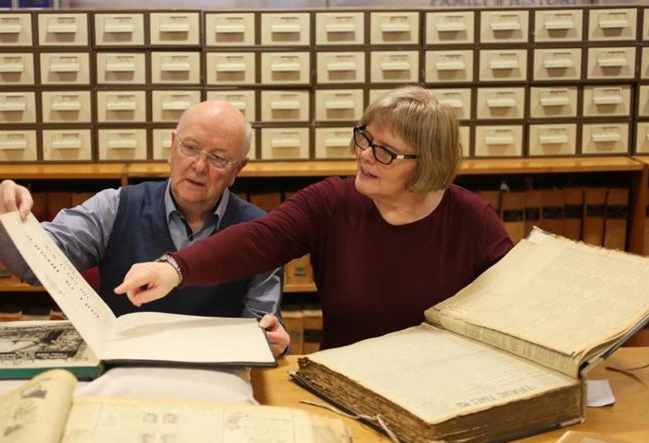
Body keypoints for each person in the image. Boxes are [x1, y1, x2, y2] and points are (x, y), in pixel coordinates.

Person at [119, 85, 514, 350]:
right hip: (346, 385)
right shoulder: (331, 202)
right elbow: (260, 238)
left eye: (385, 152)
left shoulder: (472, 220)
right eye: (365, 139)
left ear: (428, 162)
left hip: (437, 388)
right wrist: (175, 268)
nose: (364, 155)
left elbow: (516, 308)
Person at [0, 100, 289, 357]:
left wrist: (269, 339)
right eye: (190, 147)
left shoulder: (260, 232)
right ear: (172, 147)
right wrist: (10, 219)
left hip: (214, 376)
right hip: (122, 372)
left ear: (239, 169)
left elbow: (260, 326)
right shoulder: (115, 207)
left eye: (218, 157)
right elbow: (35, 263)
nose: (198, 166)